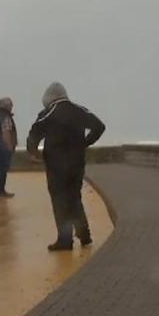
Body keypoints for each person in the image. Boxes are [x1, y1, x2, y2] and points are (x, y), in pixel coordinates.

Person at [27, 82, 105, 251]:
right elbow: (99, 126)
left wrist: (33, 152)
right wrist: (85, 143)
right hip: (76, 163)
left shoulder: (48, 113)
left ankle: (65, 240)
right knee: (75, 197)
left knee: (60, 201)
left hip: (56, 165)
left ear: (48, 98)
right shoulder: (79, 110)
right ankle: (85, 235)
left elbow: (34, 133)